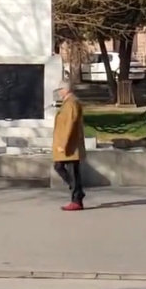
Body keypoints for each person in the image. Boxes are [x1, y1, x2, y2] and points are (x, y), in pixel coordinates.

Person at [51, 79, 86, 211]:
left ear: (66, 89)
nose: (60, 92)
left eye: (60, 90)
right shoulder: (68, 102)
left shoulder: (72, 103)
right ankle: (77, 192)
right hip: (69, 145)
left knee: (67, 169)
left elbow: (70, 124)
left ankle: (77, 196)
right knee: (62, 167)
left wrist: (64, 144)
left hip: (71, 146)